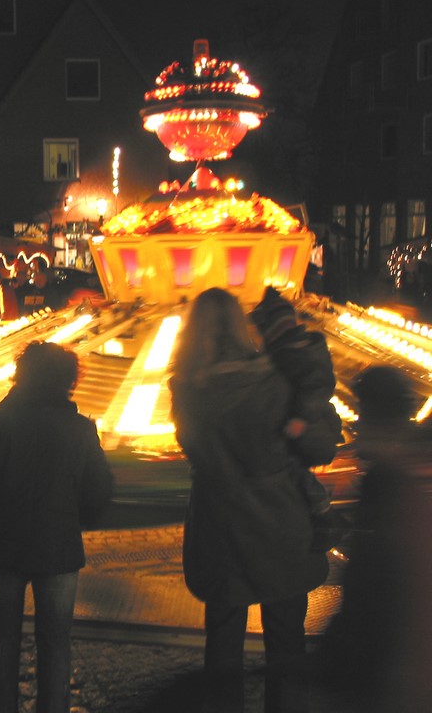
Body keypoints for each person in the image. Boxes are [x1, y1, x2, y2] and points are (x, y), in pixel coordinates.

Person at [168, 287, 331, 713]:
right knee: (287, 646)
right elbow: (317, 449)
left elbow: (193, 447)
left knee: (222, 643)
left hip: (221, 525)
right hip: (281, 522)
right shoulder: (275, 380)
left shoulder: (186, 389)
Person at [0, 341, 113, 713]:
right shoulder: (81, 430)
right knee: (55, 640)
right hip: (58, 544)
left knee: (2, 635)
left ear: (21, 376)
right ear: (68, 380)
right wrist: (77, 517)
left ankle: (0, 705)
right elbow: (99, 490)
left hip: (3, 541)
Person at [317, 366, 432, 712]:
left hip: (390, 661)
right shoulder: (411, 468)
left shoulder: (387, 480)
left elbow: (372, 580)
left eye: (362, 413)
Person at [248, 286, 342, 521]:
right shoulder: (290, 349)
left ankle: (319, 503)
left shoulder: (301, 351)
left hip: (309, 428)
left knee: (291, 464)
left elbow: (317, 388)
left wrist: (301, 418)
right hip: (301, 423)